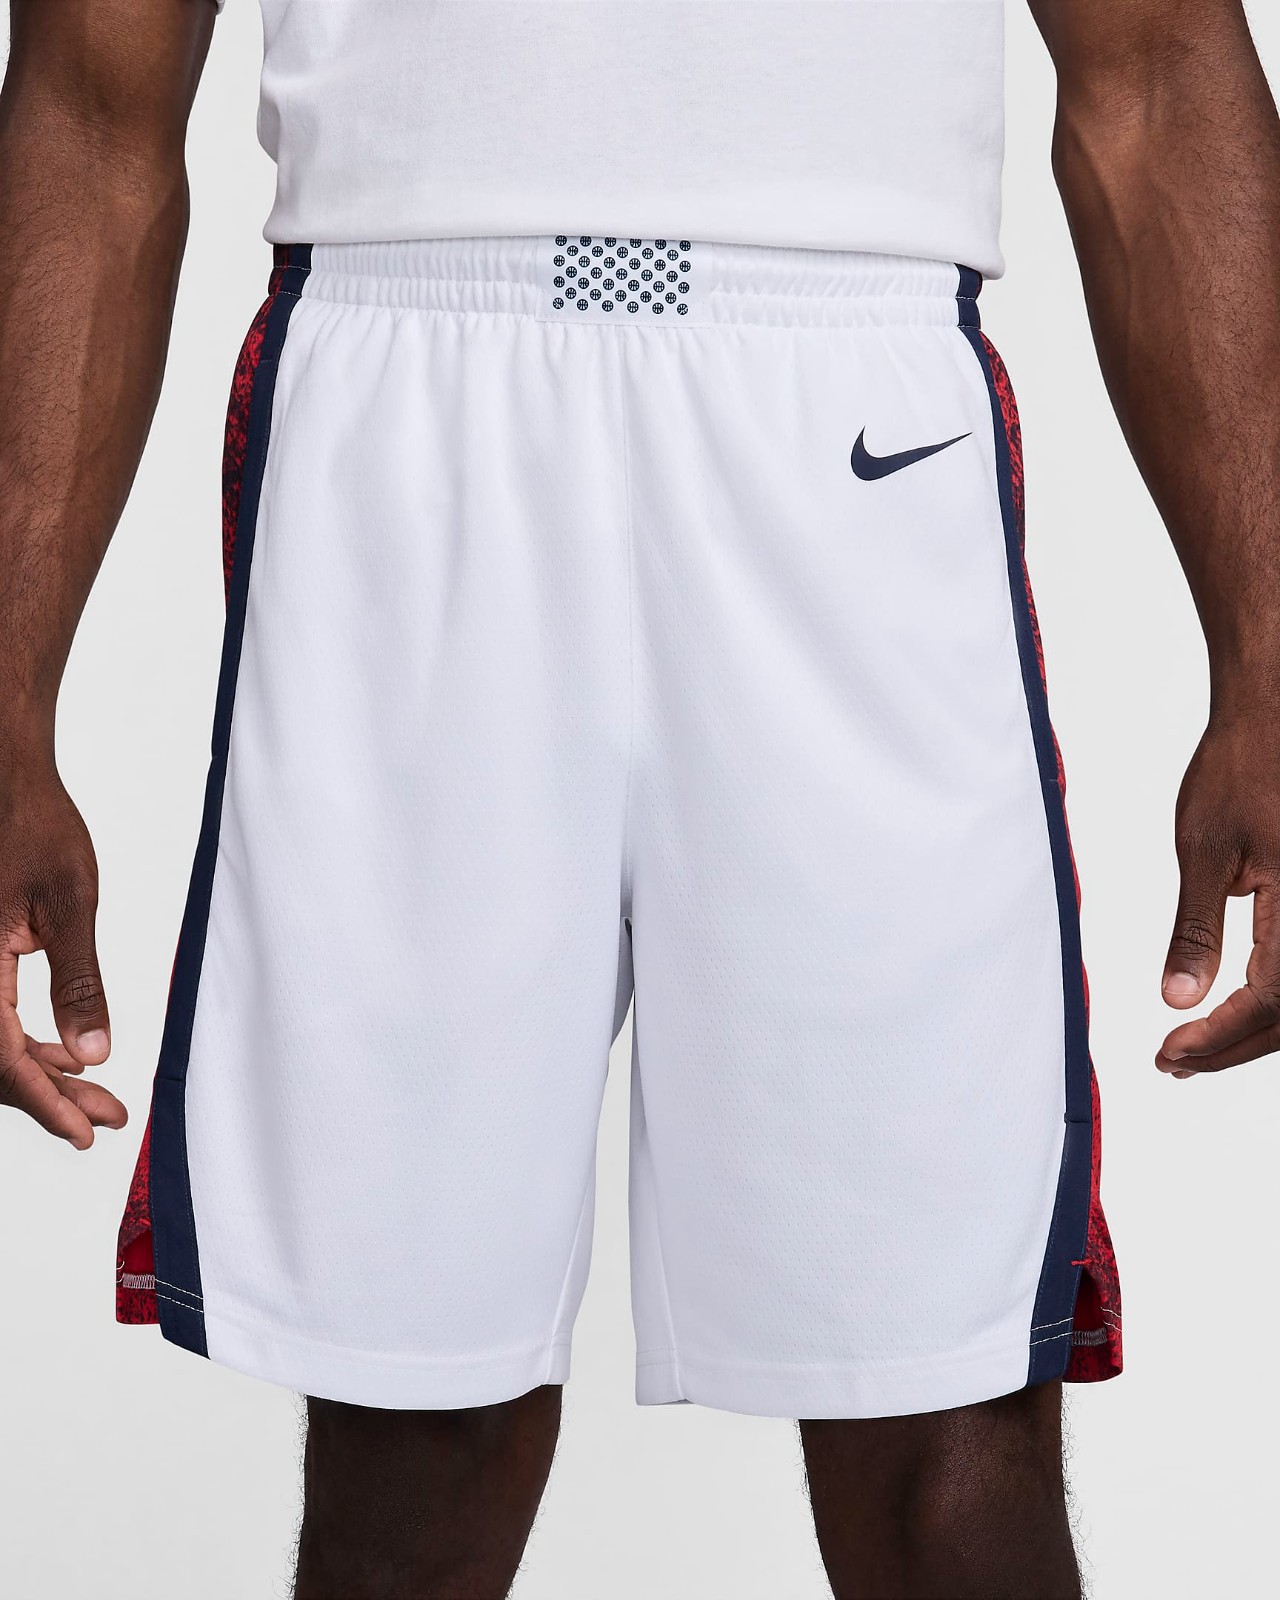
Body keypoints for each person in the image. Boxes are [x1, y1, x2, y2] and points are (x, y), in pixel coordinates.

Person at [2, 1, 1277, 1595]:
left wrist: (1270, 654)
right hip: (410, 365)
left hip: (851, 394)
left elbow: (1156, 74)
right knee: (410, 1435)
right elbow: (94, 113)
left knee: (945, 1422)